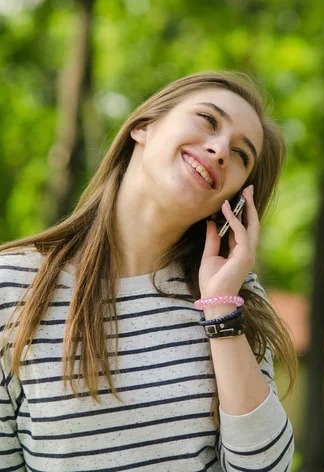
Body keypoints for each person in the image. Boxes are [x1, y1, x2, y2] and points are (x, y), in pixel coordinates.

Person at [0, 71, 298, 472]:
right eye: (208, 121)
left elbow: (264, 468)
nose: (221, 149)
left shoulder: (233, 296)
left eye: (241, 155)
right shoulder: (12, 287)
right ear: (143, 126)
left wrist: (220, 310)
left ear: (233, 201)